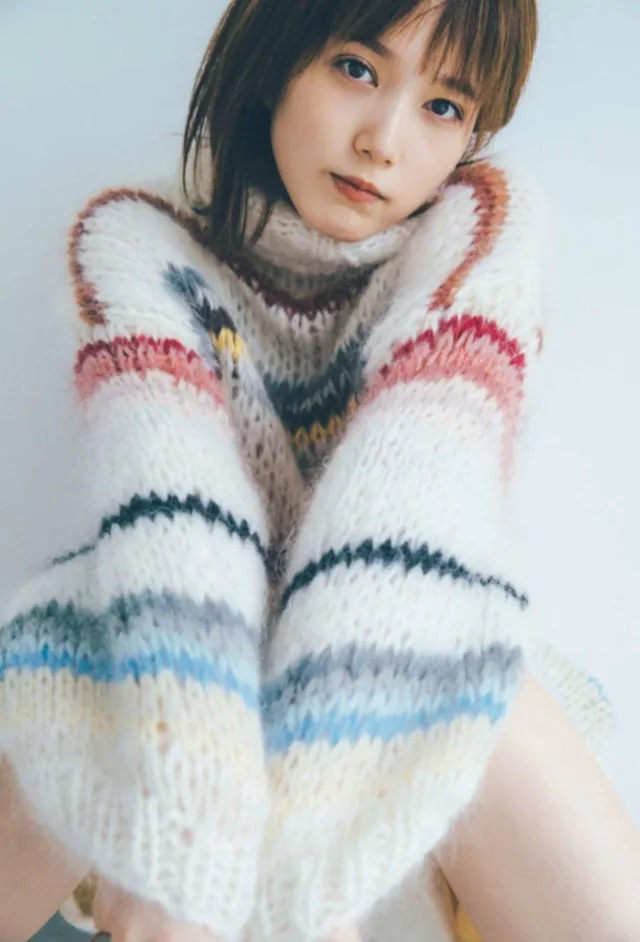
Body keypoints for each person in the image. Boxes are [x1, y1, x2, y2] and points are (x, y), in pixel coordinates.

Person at [1, 1, 638, 941]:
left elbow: (406, 526)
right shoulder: (132, 240)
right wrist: (190, 831)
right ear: (274, 59)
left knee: (489, 706)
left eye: (445, 106)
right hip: (166, 628)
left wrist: (297, 865)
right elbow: (176, 518)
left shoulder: (483, 229)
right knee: (78, 692)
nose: (385, 140)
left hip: (407, 633)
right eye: (356, 69)